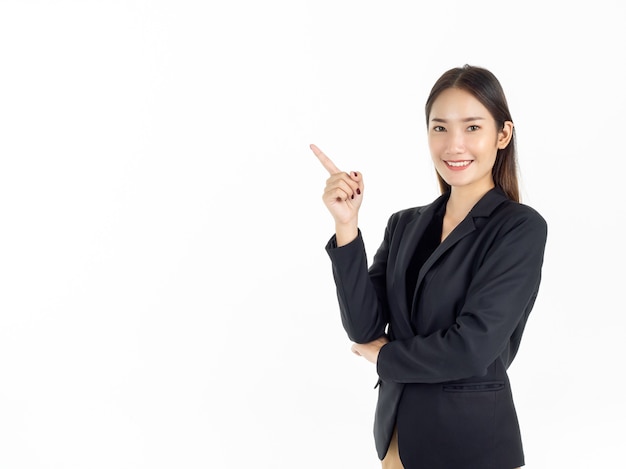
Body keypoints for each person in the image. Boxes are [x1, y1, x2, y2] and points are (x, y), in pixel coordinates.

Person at [311, 64, 547, 468]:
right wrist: (346, 225)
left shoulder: (518, 228)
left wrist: (385, 358)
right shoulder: (405, 224)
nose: (454, 145)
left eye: (472, 127)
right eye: (440, 128)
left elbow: (472, 347)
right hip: (397, 443)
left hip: (470, 447)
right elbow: (363, 328)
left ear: (502, 135)